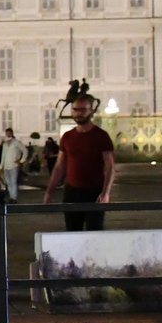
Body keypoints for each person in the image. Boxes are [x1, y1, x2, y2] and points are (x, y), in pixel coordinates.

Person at [44, 98, 116, 232]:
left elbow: (110, 166)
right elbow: (59, 167)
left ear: (91, 111)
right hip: (72, 192)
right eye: (75, 110)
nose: (78, 113)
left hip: (94, 193)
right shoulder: (67, 137)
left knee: (94, 233)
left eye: (83, 110)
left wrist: (105, 192)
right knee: (72, 232)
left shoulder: (101, 136)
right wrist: (50, 191)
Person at [0, 127, 27, 198]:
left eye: (9, 133)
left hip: (13, 165)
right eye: (6, 133)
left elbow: (25, 151)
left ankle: (13, 197)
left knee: (13, 182)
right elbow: (3, 156)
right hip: (6, 166)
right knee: (8, 182)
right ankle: (11, 196)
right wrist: (1, 166)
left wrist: (21, 160)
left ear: (12, 133)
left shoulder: (16, 142)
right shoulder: (5, 144)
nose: (8, 134)